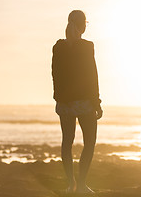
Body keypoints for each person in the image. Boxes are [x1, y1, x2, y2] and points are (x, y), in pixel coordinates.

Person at [52, 10, 103, 194]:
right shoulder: (87, 46)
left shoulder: (58, 47)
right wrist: (96, 102)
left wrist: (59, 98)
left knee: (67, 142)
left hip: (65, 103)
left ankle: (70, 184)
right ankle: (81, 184)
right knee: (89, 142)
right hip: (84, 102)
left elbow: (55, 74)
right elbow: (92, 75)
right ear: (82, 25)